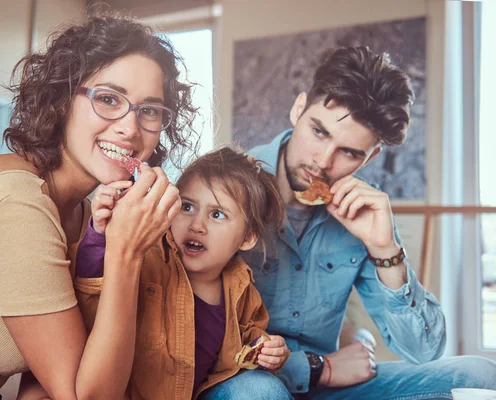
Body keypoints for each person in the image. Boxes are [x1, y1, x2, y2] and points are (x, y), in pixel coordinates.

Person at [0, 11, 199, 400]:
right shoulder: (17, 205)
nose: (130, 127)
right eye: (108, 99)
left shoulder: (85, 215)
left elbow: (59, 376)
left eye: (150, 110)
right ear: (60, 102)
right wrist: (126, 252)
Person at [205, 47, 496, 400]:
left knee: (479, 375)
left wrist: (385, 249)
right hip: (247, 378)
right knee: (259, 393)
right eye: (319, 132)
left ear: (370, 156)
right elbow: (198, 338)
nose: (322, 162)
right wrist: (319, 368)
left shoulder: (365, 210)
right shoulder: (227, 184)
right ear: (299, 109)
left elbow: (423, 350)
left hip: (331, 386)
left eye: (350, 152)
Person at [73, 147, 293, 399]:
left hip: (200, 394)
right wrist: (100, 234)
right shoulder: (148, 257)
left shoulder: (240, 286)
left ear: (248, 237)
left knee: (262, 388)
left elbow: (250, 335)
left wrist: (269, 350)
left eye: (217, 214)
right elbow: (93, 286)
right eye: (187, 207)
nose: (197, 225)